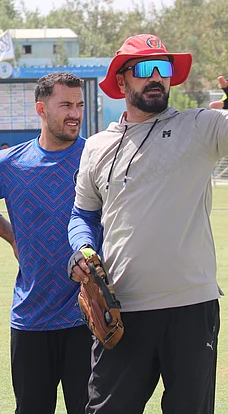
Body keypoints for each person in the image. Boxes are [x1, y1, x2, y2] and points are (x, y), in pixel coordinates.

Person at [68, 34, 228, 413]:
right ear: (121, 81)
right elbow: (83, 214)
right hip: (122, 307)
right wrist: (82, 248)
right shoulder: (96, 146)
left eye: (164, 68)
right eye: (144, 68)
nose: (157, 76)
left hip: (191, 305)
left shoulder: (201, 127)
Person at [0, 72, 91, 414]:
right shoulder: (9, 164)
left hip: (88, 316)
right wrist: (11, 236)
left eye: (79, 105)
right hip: (31, 316)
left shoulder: (97, 157)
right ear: (41, 109)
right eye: (65, 105)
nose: (74, 113)